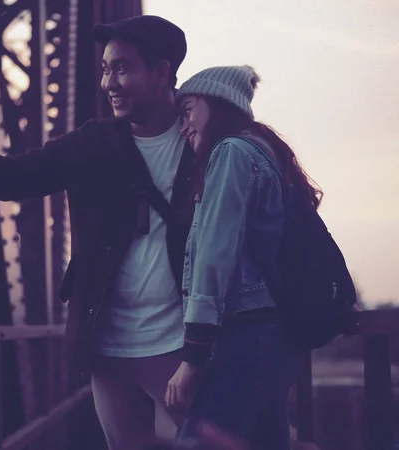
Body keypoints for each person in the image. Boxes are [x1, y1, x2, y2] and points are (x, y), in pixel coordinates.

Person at [0, 15, 198, 449]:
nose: (108, 81)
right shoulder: (94, 143)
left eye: (123, 68)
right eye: (105, 68)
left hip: (181, 350)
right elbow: (12, 175)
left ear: (163, 72)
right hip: (108, 348)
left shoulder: (204, 141)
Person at [164, 65, 320, 449]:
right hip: (275, 337)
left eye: (188, 111)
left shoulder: (231, 153)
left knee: (197, 442)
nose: (183, 126)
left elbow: (215, 258)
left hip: (248, 336)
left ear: (216, 104)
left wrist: (193, 356)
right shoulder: (264, 152)